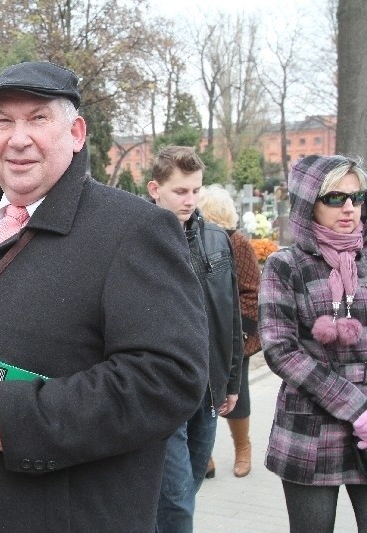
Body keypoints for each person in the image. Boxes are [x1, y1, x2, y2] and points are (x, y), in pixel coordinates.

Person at [0, 61, 209, 531]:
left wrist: (30, 419)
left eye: (38, 118)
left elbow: (169, 376)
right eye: (3, 121)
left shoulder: (133, 229)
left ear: (77, 132)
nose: (18, 138)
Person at [259, 154, 367, 532]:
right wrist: (355, 406)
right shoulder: (285, 265)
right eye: (335, 198)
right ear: (308, 203)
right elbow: (280, 350)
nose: (349, 208)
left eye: (357, 197)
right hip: (310, 432)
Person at [147, 146, 243, 532]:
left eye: (195, 190)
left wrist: (232, 381)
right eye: (180, 191)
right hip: (161, 389)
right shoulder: (136, 237)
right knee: (176, 502)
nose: (190, 200)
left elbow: (230, 315)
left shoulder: (217, 239)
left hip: (207, 389)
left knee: (189, 487)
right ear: (155, 189)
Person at [197, 184, 261, 479]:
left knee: (237, 394)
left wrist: (244, 333)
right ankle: (204, 456)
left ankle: (242, 448)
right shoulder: (194, 239)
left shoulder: (237, 243)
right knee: (200, 395)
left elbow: (252, 292)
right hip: (201, 336)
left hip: (236, 337)